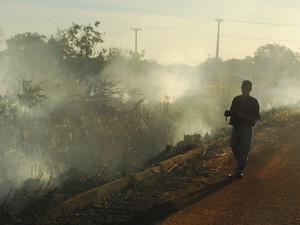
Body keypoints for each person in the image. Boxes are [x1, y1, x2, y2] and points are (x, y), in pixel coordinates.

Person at [227, 80, 260, 178]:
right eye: (243, 88)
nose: (245, 90)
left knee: (244, 149)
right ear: (241, 88)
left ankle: (239, 170)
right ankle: (243, 161)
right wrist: (229, 114)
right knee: (234, 146)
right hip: (236, 126)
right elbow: (232, 111)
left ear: (250, 89)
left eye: (247, 88)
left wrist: (244, 115)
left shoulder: (254, 101)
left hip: (246, 127)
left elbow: (256, 117)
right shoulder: (236, 99)